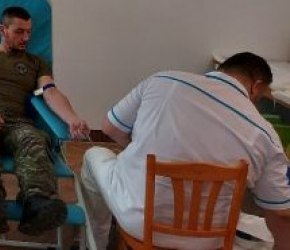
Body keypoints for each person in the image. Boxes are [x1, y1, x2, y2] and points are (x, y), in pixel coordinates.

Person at [81, 52, 290, 250]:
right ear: (256, 86)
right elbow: (282, 212)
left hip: (138, 223)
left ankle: (96, 243)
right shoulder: (265, 134)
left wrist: (136, 152)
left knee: (94, 155)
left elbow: (110, 128)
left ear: (221, 70)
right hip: (209, 240)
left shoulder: (164, 80)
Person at [0, 6, 90, 236]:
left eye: (29, 32)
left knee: (34, 139)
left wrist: (72, 118)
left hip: (18, 123)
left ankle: (37, 204)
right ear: (2, 30)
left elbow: (49, 92)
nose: (26, 38)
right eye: (19, 32)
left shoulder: (36, 63)